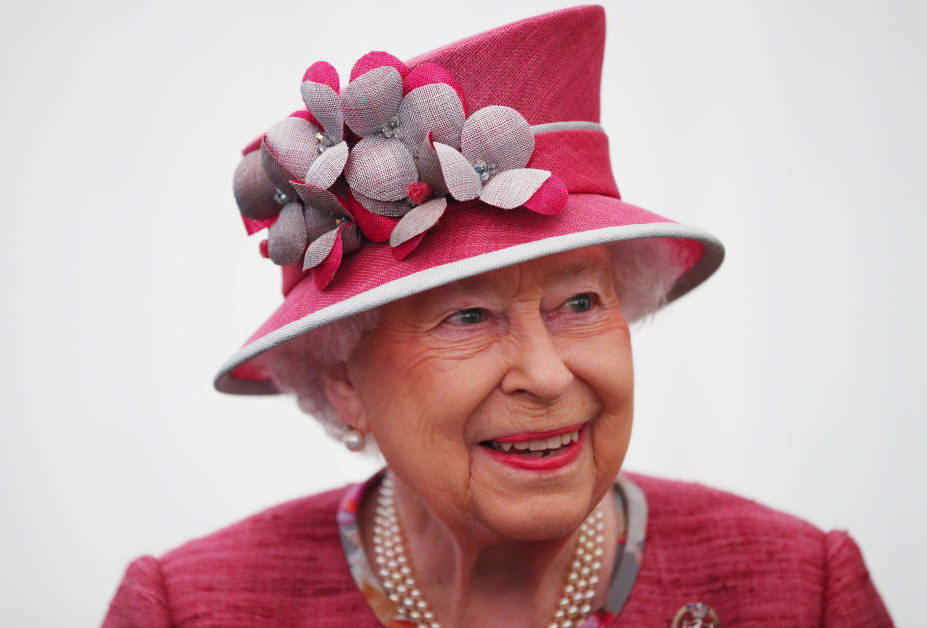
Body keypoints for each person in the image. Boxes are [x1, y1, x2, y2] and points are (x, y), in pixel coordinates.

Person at [102, 6, 892, 627]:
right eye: (466, 318)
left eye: (580, 303)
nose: (548, 376)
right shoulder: (190, 610)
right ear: (344, 382)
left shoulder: (799, 592)